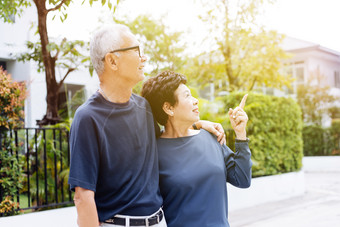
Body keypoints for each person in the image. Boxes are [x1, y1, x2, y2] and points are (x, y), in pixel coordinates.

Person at [68, 24, 226, 227]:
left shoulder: (144, 108)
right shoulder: (88, 118)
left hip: (158, 221)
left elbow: (165, 137)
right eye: (136, 51)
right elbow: (83, 198)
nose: (144, 58)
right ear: (113, 61)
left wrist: (197, 125)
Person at [141, 71, 253, 227]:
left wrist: (240, 133)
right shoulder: (154, 153)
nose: (195, 101)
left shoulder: (211, 137)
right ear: (168, 107)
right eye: (187, 96)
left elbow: (243, 179)